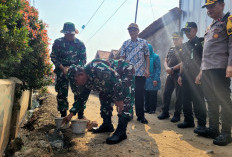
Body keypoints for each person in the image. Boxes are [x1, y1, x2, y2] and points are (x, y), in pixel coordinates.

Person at [62, 59, 135, 145]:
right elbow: (81, 99)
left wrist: (119, 99)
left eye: (75, 80)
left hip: (124, 71)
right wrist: (70, 114)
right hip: (111, 80)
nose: (75, 83)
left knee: (125, 98)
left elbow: (116, 78)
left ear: (80, 74)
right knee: (104, 95)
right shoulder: (85, 81)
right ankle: (107, 125)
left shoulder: (96, 68)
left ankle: (121, 131)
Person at [195, 0, 232, 146]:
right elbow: (206, 52)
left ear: (222, 5)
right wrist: (201, 72)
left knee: (223, 100)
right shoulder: (210, 27)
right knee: (210, 100)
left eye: (212, 6)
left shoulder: (229, 21)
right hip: (207, 70)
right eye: (207, 7)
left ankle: (226, 133)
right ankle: (213, 129)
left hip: (220, 68)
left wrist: (230, 65)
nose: (209, 10)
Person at [50, 22, 86, 118]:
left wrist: (74, 68)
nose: (69, 36)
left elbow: (83, 60)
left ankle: (80, 115)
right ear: (64, 33)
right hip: (61, 70)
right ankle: (63, 115)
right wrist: (62, 67)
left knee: (79, 93)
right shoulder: (58, 42)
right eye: (67, 34)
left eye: (71, 34)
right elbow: (53, 56)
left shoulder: (80, 44)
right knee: (62, 93)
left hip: (75, 72)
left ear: (74, 33)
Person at [177, 22, 207, 130]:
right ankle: (188, 121)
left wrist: (201, 73)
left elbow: (205, 59)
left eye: (189, 30)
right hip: (186, 77)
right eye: (185, 31)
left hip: (197, 76)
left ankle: (201, 124)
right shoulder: (185, 45)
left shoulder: (201, 42)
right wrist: (180, 75)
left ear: (195, 30)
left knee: (198, 100)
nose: (187, 33)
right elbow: (183, 62)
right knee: (186, 100)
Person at [120, 23, 150, 124]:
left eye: (134, 30)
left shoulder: (144, 42)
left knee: (139, 95)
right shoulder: (125, 43)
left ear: (138, 31)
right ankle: (128, 114)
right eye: (130, 30)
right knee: (128, 95)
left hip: (140, 73)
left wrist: (147, 69)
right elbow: (122, 58)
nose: (132, 32)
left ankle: (141, 116)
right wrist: (122, 70)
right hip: (128, 74)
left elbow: (147, 56)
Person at [157, 32, 183, 123]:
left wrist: (172, 68)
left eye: (177, 39)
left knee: (179, 95)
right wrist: (167, 68)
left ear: (182, 39)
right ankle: (165, 112)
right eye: (174, 39)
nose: (175, 41)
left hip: (179, 74)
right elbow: (165, 60)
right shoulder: (171, 49)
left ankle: (177, 115)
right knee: (166, 93)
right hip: (170, 74)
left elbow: (183, 62)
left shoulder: (184, 48)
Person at [144, 44, 161, 114]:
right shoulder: (144, 57)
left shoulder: (155, 57)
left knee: (153, 95)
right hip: (146, 79)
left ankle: (152, 109)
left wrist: (156, 79)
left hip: (153, 78)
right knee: (146, 94)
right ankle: (147, 108)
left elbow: (158, 68)